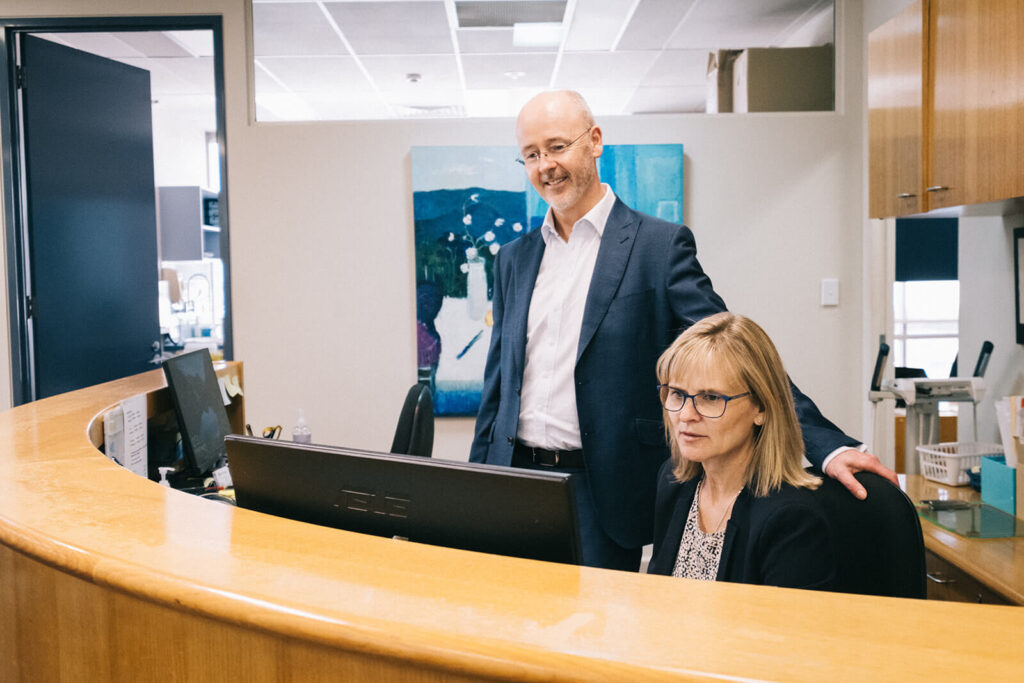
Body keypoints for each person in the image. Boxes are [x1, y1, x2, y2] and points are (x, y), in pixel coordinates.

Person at [470, 89, 895, 571]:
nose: (545, 165)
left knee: (594, 637)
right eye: (531, 154)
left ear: (594, 141)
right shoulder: (513, 258)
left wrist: (827, 445)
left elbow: (739, 360)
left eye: (557, 146)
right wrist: (471, 489)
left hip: (597, 491)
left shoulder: (658, 247)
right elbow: (498, 387)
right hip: (512, 479)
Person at [646, 312, 837, 588]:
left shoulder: (792, 520)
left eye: (710, 397)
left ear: (760, 407)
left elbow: (784, 631)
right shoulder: (674, 481)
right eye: (677, 394)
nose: (686, 415)